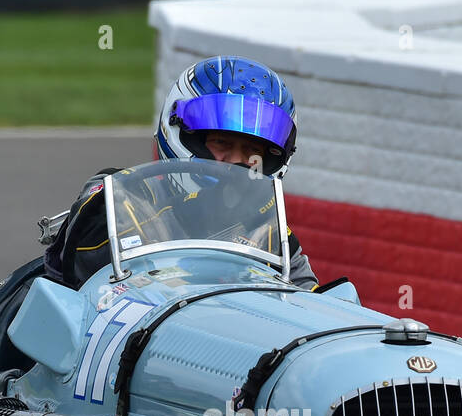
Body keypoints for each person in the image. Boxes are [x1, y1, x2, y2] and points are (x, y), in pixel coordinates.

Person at [41, 56, 319, 289]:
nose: (236, 161)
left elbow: (313, 304)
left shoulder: (270, 232)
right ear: (181, 133)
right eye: (222, 143)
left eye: (251, 151)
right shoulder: (121, 199)